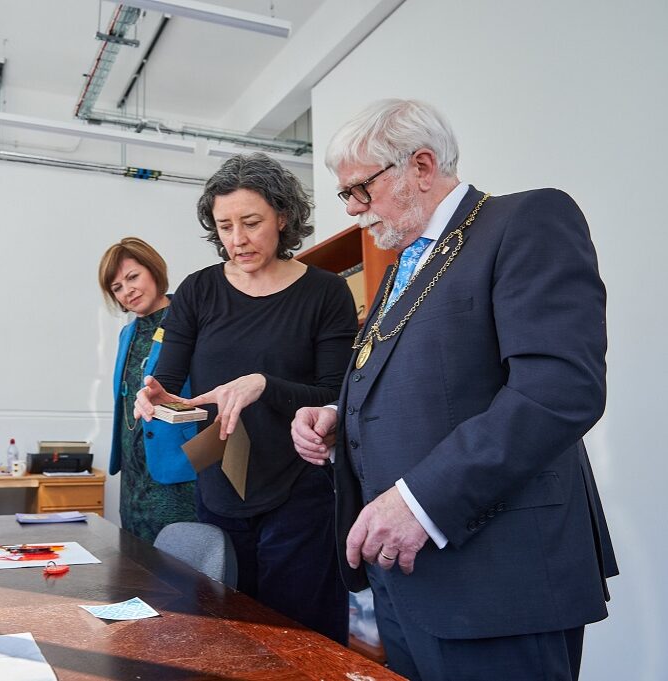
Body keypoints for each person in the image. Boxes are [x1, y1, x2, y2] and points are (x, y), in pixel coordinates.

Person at [291, 99, 618, 680]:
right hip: (411, 577)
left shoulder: (526, 221)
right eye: (346, 196)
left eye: (360, 191)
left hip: (499, 578)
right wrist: (343, 414)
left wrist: (420, 501)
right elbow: (430, 382)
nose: (354, 211)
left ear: (420, 165)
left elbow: (558, 390)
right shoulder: (402, 265)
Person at [135, 153, 358, 645]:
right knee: (227, 632)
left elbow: (338, 395)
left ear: (282, 216)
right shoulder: (198, 291)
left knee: (299, 637)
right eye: (225, 226)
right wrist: (154, 394)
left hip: (300, 487)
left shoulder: (325, 293)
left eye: (251, 223)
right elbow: (168, 378)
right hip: (221, 483)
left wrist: (264, 385)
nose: (237, 239)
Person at [99, 237, 198, 543]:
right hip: (133, 471)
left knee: (180, 565)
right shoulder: (127, 333)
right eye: (117, 287)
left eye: (132, 277)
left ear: (154, 271)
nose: (127, 291)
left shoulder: (187, 321)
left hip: (178, 465)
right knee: (135, 561)